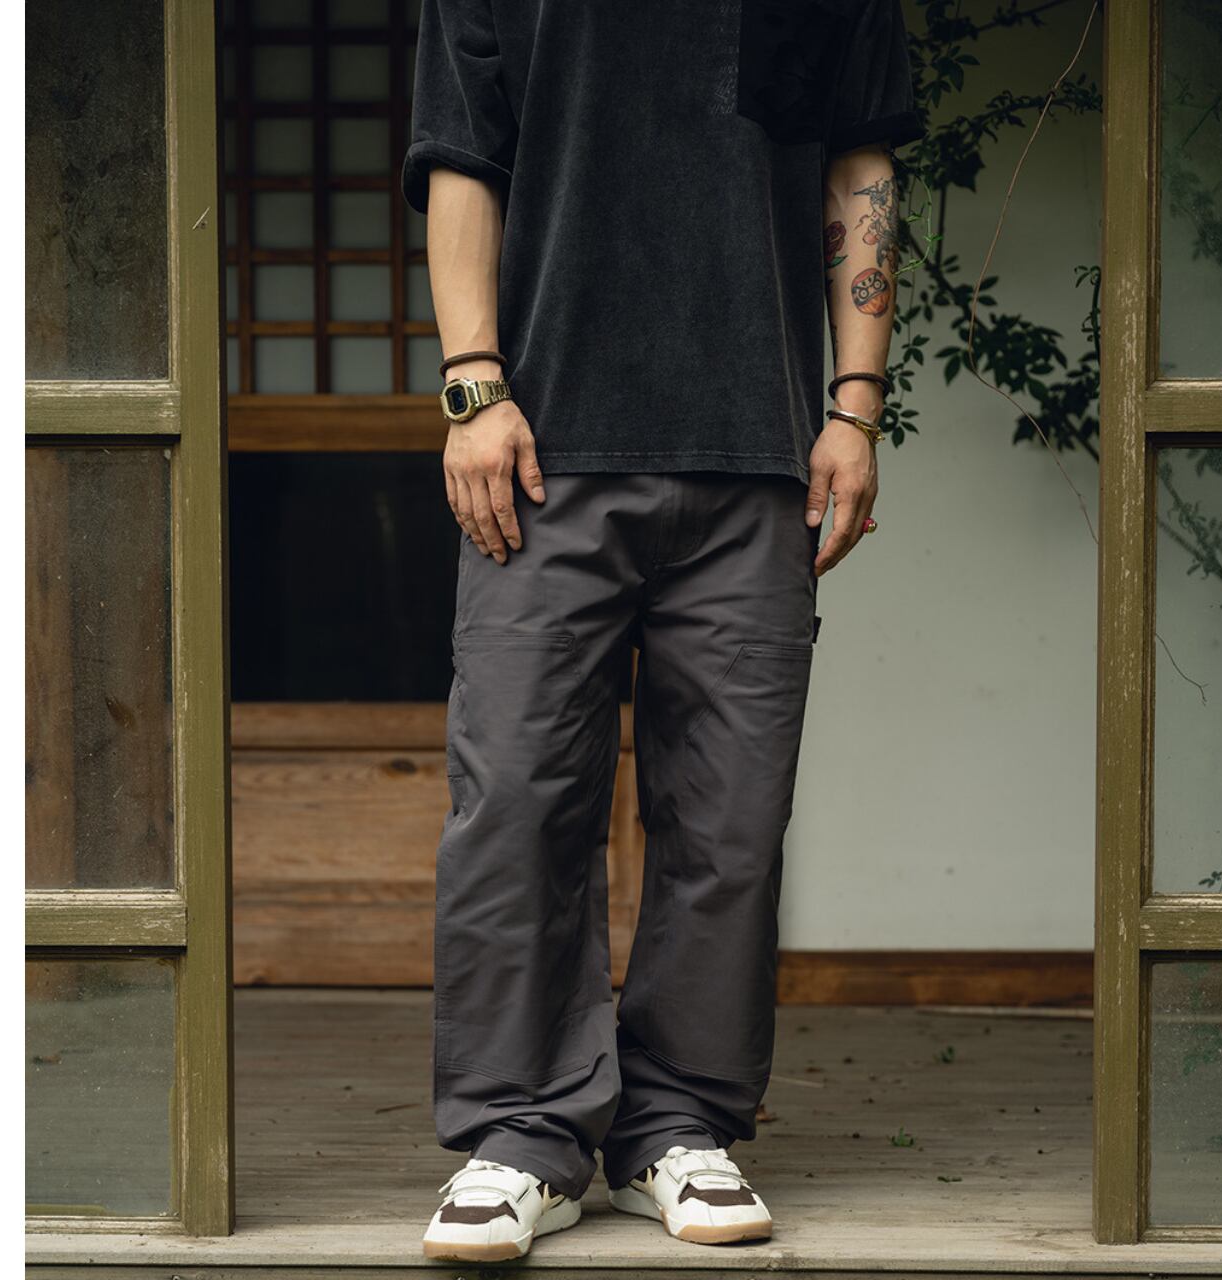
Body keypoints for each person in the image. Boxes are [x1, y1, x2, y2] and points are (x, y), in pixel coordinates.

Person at [401, 0, 924, 1262]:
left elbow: (857, 163)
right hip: (540, 456)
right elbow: (461, 152)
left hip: (758, 458)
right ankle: (520, 1133)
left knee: (728, 816)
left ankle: (676, 1127)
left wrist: (854, 407)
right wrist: (472, 383)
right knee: (517, 796)